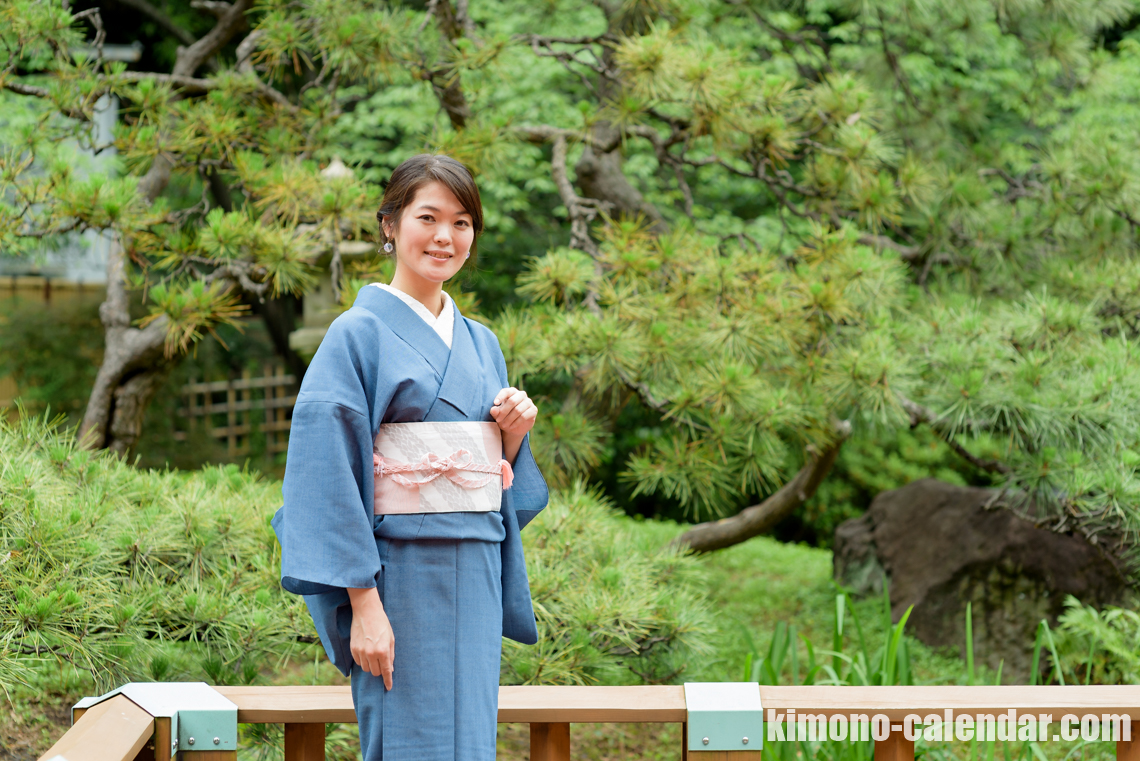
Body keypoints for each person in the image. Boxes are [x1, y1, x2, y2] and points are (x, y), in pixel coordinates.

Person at [272, 154, 549, 761]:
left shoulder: (483, 342)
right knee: (408, 739)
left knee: (471, 740)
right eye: (428, 217)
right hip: (395, 576)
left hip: (474, 567)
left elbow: (498, 482)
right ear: (391, 224)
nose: (446, 236)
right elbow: (324, 473)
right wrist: (362, 603)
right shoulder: (357, 333)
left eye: (462, 221)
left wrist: (512, 435)